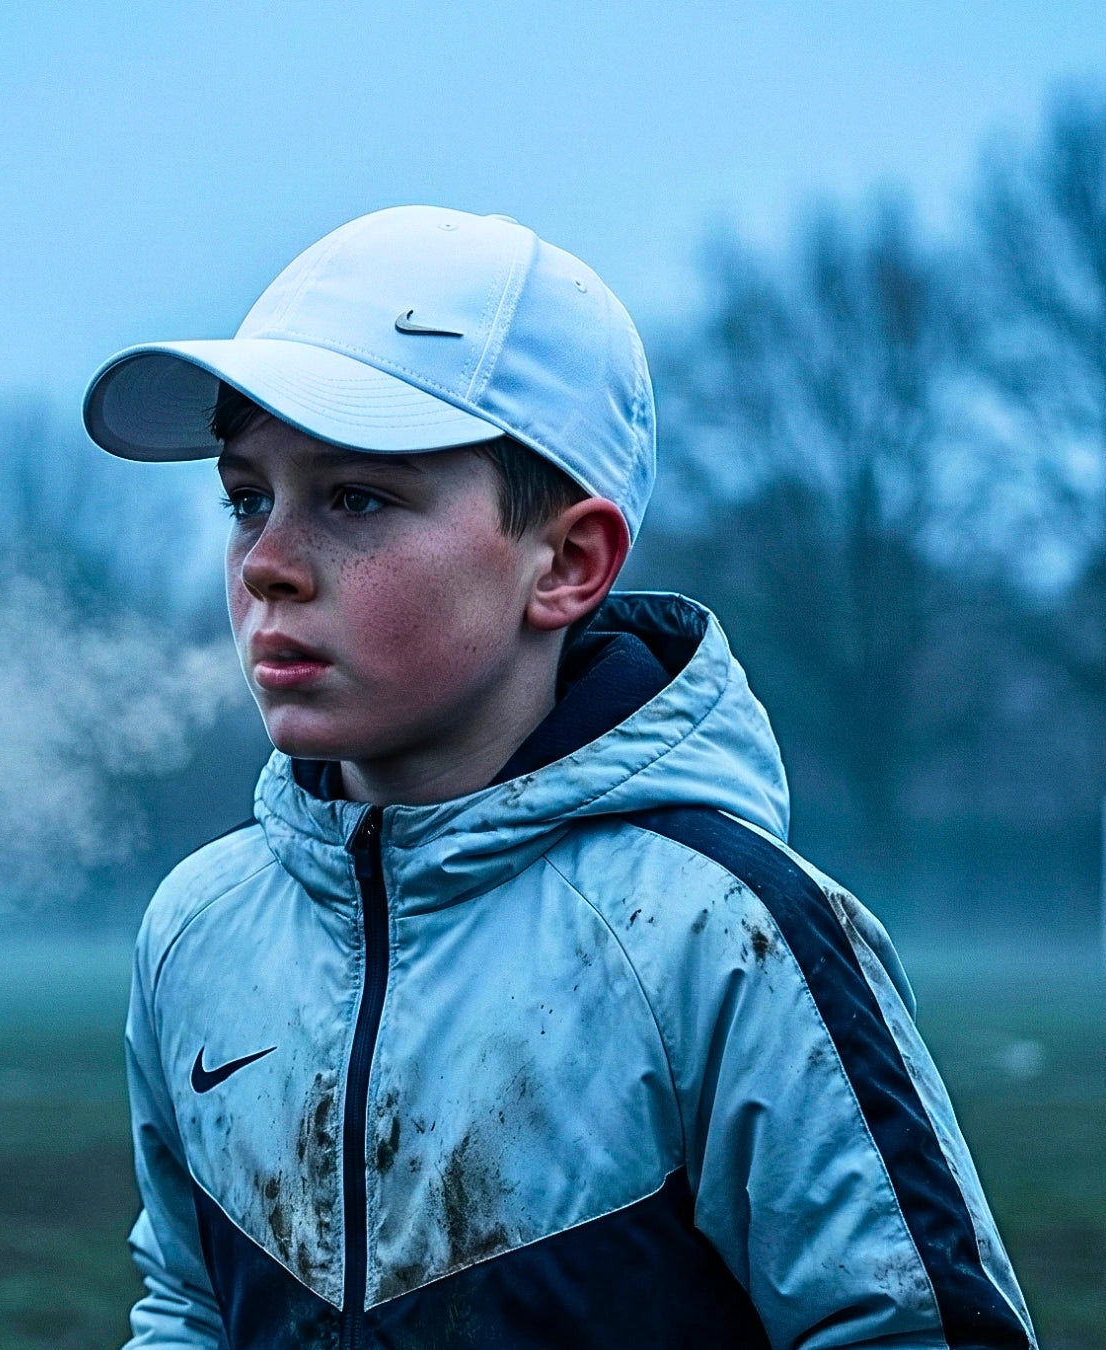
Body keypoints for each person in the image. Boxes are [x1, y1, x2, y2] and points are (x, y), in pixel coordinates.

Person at [82, 206, 1036, 1349]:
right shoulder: (199, 925)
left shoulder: (726, 938)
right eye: (248, 497)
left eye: (356, 497)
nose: (270, 564)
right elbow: (188, 1304)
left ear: (568, 562)